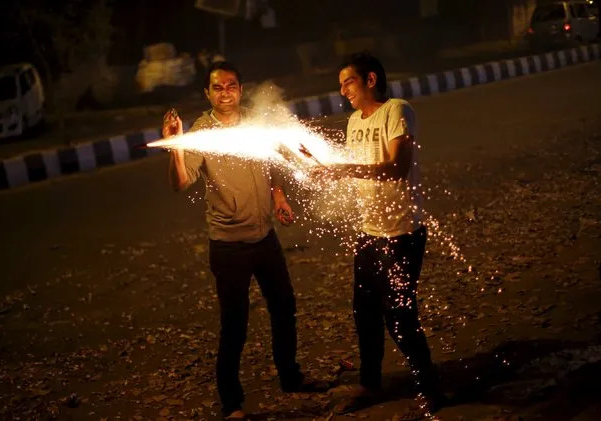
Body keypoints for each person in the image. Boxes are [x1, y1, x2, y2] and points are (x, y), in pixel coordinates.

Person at [163, 61, 328, 420]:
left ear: (240, 88)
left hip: (265, 238)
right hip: (228, 246)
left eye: (232, 85)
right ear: (207, 93)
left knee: (284, 307)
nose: (226, 92)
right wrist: (176, 142)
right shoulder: (201, 132)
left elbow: (269, 162)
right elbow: (180, 183)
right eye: (218, 87)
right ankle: (231, 403)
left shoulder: (254, 120)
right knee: (235, 324)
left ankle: (290, 377)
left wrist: (279, 196)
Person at [309, 53, 446, 419]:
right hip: (368, 234)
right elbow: (358, 174)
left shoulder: (398, 110)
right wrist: (326, 172)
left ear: (370, 80)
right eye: (340, 84)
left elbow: (397, 167)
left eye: (348, 82)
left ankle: (429, 387)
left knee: (400, 316)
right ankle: (370, 383)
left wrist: (342, 169)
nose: (343, 90)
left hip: (401, 233)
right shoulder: (354, 121)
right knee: (364, 313)